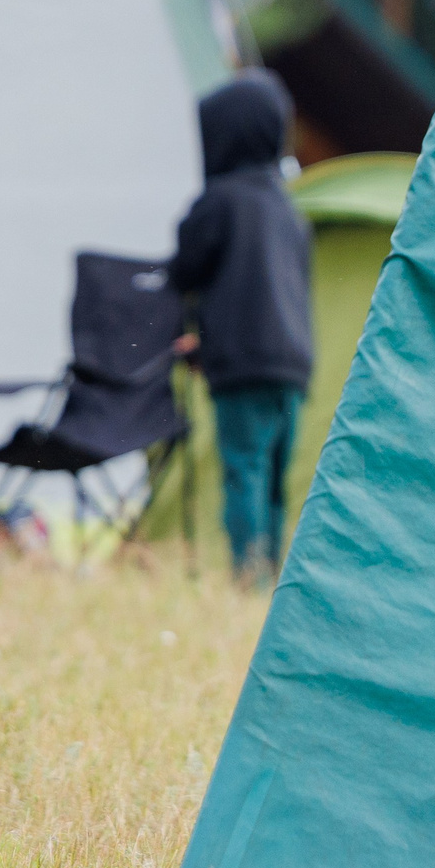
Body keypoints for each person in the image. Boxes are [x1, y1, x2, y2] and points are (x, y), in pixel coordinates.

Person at [169, 70, 314, 586]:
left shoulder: (222, 201)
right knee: (276, 478)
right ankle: (271, 576)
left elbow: (185, 268)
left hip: (243, 365)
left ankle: (247, 578)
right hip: (293, 366)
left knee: (244, 469)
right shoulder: (288, 209)